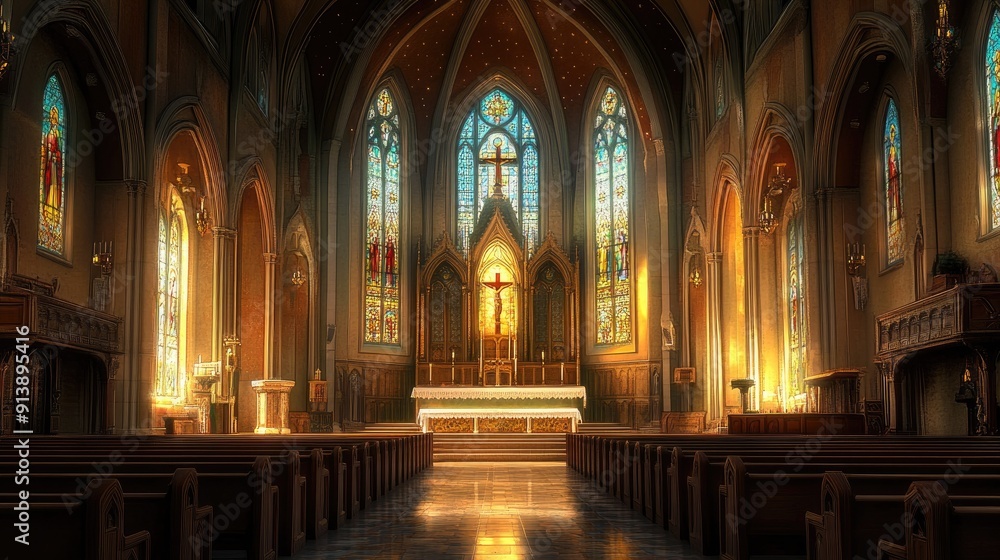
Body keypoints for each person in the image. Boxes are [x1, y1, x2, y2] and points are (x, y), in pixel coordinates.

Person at [42, 105, 63, 209]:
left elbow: (59, 149)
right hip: (50, 164)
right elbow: (46, 150)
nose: (53, 121)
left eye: (55, 119)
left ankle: (55, 204)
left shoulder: (58, 134)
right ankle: (49, 203)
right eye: (52, 119)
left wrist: (56, 156)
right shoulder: (49, 133)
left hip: (55, 163)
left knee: (55, 184)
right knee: (50, 182)